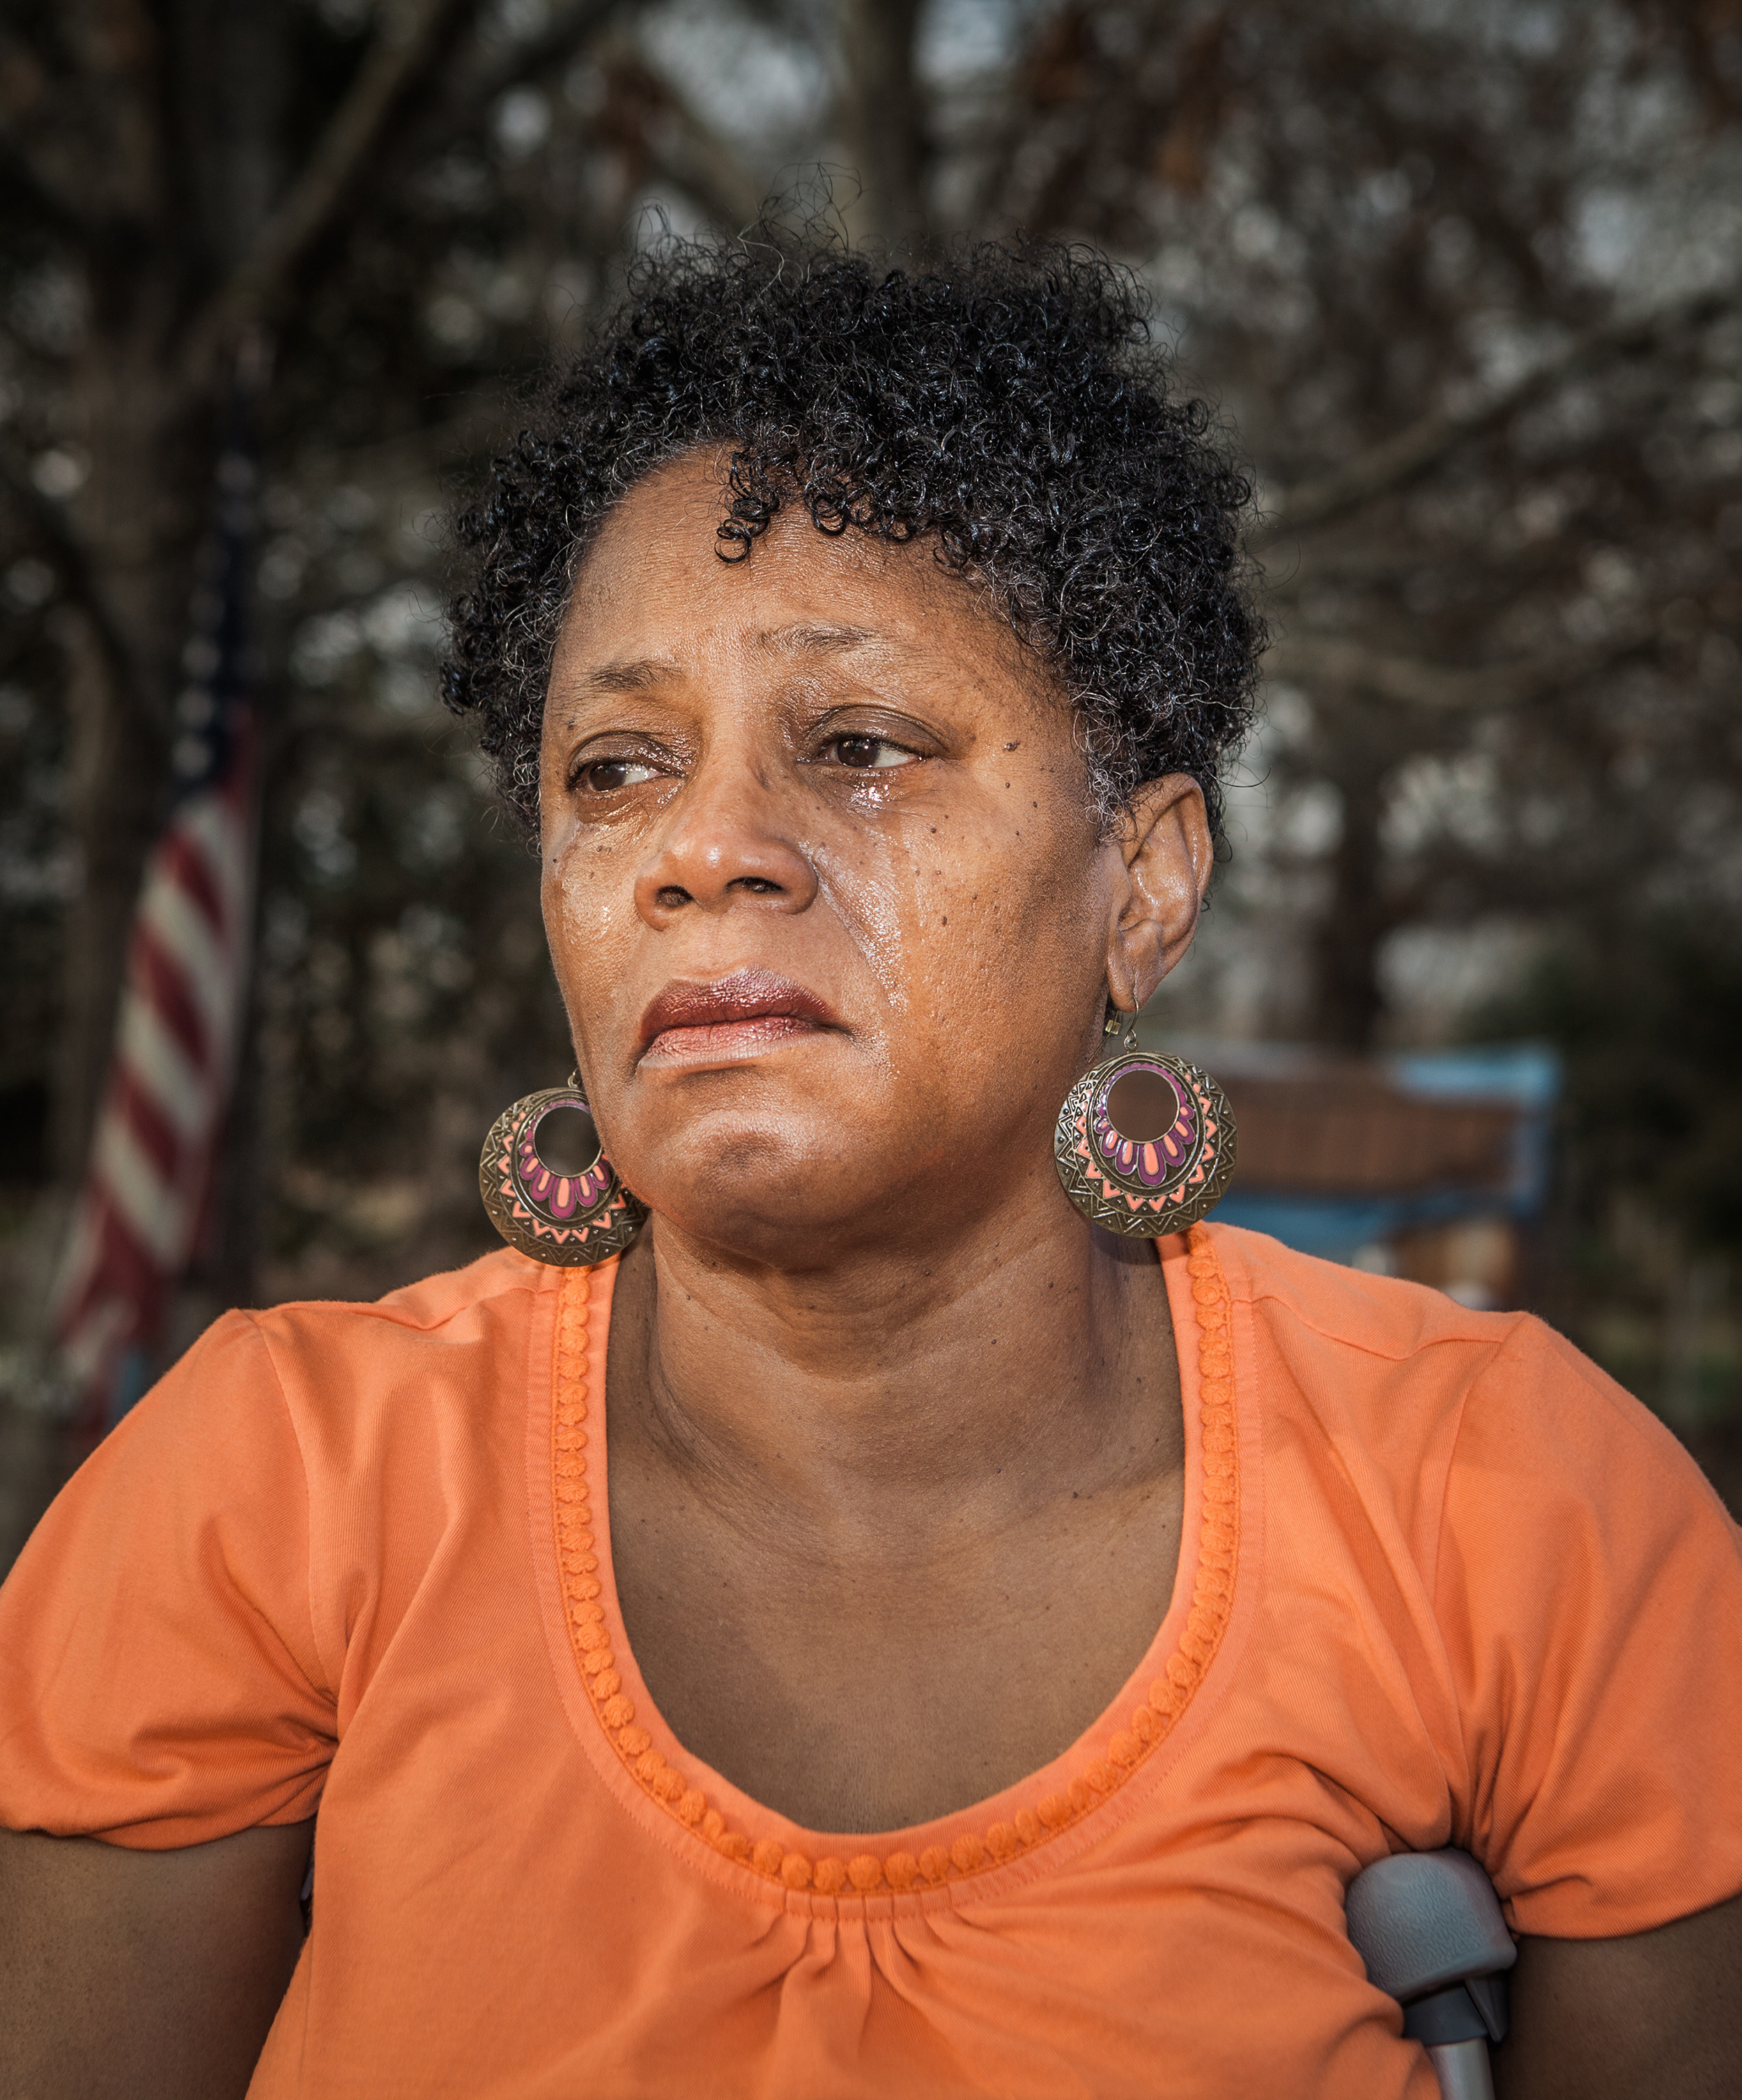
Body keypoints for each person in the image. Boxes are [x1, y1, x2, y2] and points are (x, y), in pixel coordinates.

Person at [2, 233, 1739, 2100]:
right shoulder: (268, 1496)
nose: (704, 850)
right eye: (611, 772)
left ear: (1139, 886)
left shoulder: (1514, 1512)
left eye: (857, 744)